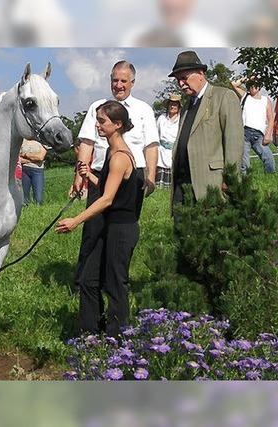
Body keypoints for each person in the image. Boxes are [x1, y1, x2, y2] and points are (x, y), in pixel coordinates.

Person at [71, 60, 158, 295]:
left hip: (133, 177)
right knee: (93, 229)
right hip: (101, 173)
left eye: (123, 81)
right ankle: (84, 284)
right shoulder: (97, 108)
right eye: (114, 80)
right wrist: (79, 176)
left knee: (120, 233)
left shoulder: (143, 110)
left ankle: (116, 282)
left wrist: (150, 176)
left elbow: (151, 146)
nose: (118, 85)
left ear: (132, 82)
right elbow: (86, 143)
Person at [57, 100, 140, 337]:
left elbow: (106, 200)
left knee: (115, 285)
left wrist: (75, 221)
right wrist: (89, 175)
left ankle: (117, 339)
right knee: (88, 278)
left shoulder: (119, 157)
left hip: (121, 229)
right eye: (97, 120)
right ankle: (89, 334)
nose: (97, 125)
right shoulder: (112, 153)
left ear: (118, 124)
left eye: (102, 121)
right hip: (108, 226)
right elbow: (108, 188)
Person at [169, 50, 243, 215]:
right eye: (178, 80)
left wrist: (230, 179)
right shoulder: (187, 106)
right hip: (182, 185)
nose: (181, 84)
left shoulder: (224, 97)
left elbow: (234, 142)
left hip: (210, 185)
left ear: (201, 73)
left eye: (184, 78)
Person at [231, 77, 275, 174]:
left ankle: (271, 178)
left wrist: (268, 134)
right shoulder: (245, 96)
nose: (252, 87)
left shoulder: (266, 100)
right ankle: (245, 182)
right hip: (244, 133)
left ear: (259, 87)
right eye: (250, 85)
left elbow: (271, 118)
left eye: (255, 85)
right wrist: (246, 78)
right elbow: (233, 84)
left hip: (258, 134)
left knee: (268, 158)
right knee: (244, 162)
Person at [156, 94, 181, 188]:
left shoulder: (181, 119)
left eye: (175, 104)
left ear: (178, 107)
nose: (173, 106)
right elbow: (156, 135)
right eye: (171, 104)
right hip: (161, 152)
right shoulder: (161, 118)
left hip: (174, 152)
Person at [19, 138, 47, 205]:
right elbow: (19, 158)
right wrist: (33, 159)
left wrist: (25, 155)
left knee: (38, 198)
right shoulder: (22, 141)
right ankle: (27, 212)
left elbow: (40, 157)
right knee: (24, 198)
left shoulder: (42, 141)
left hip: (38, 170)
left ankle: (38, 211)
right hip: (24, 170)